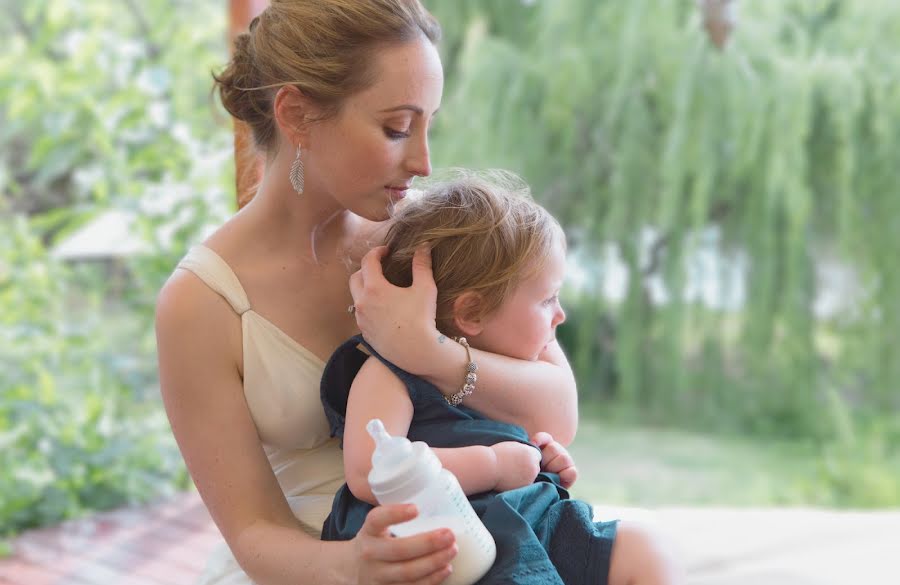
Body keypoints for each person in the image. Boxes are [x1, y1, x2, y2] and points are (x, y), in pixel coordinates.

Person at [155, 2, 587, 584]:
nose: (424, 161)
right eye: (397, 128)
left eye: (429, 124)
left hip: (481, 542)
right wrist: (357, 563)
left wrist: (431, 355)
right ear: (297, 114)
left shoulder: (431, 238)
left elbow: (559, 414)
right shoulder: (201, 304)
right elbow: (254, 533)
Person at [319, 172, 683, 584]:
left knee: (649, 549)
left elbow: (550, 428)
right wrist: (491, 464)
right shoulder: (388, 374)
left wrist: (542, 461)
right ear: (471, 313)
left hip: (527, 524)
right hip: (449, 545)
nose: (560, 316)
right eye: (547, 300)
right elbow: (370, 470)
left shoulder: (513, 369)